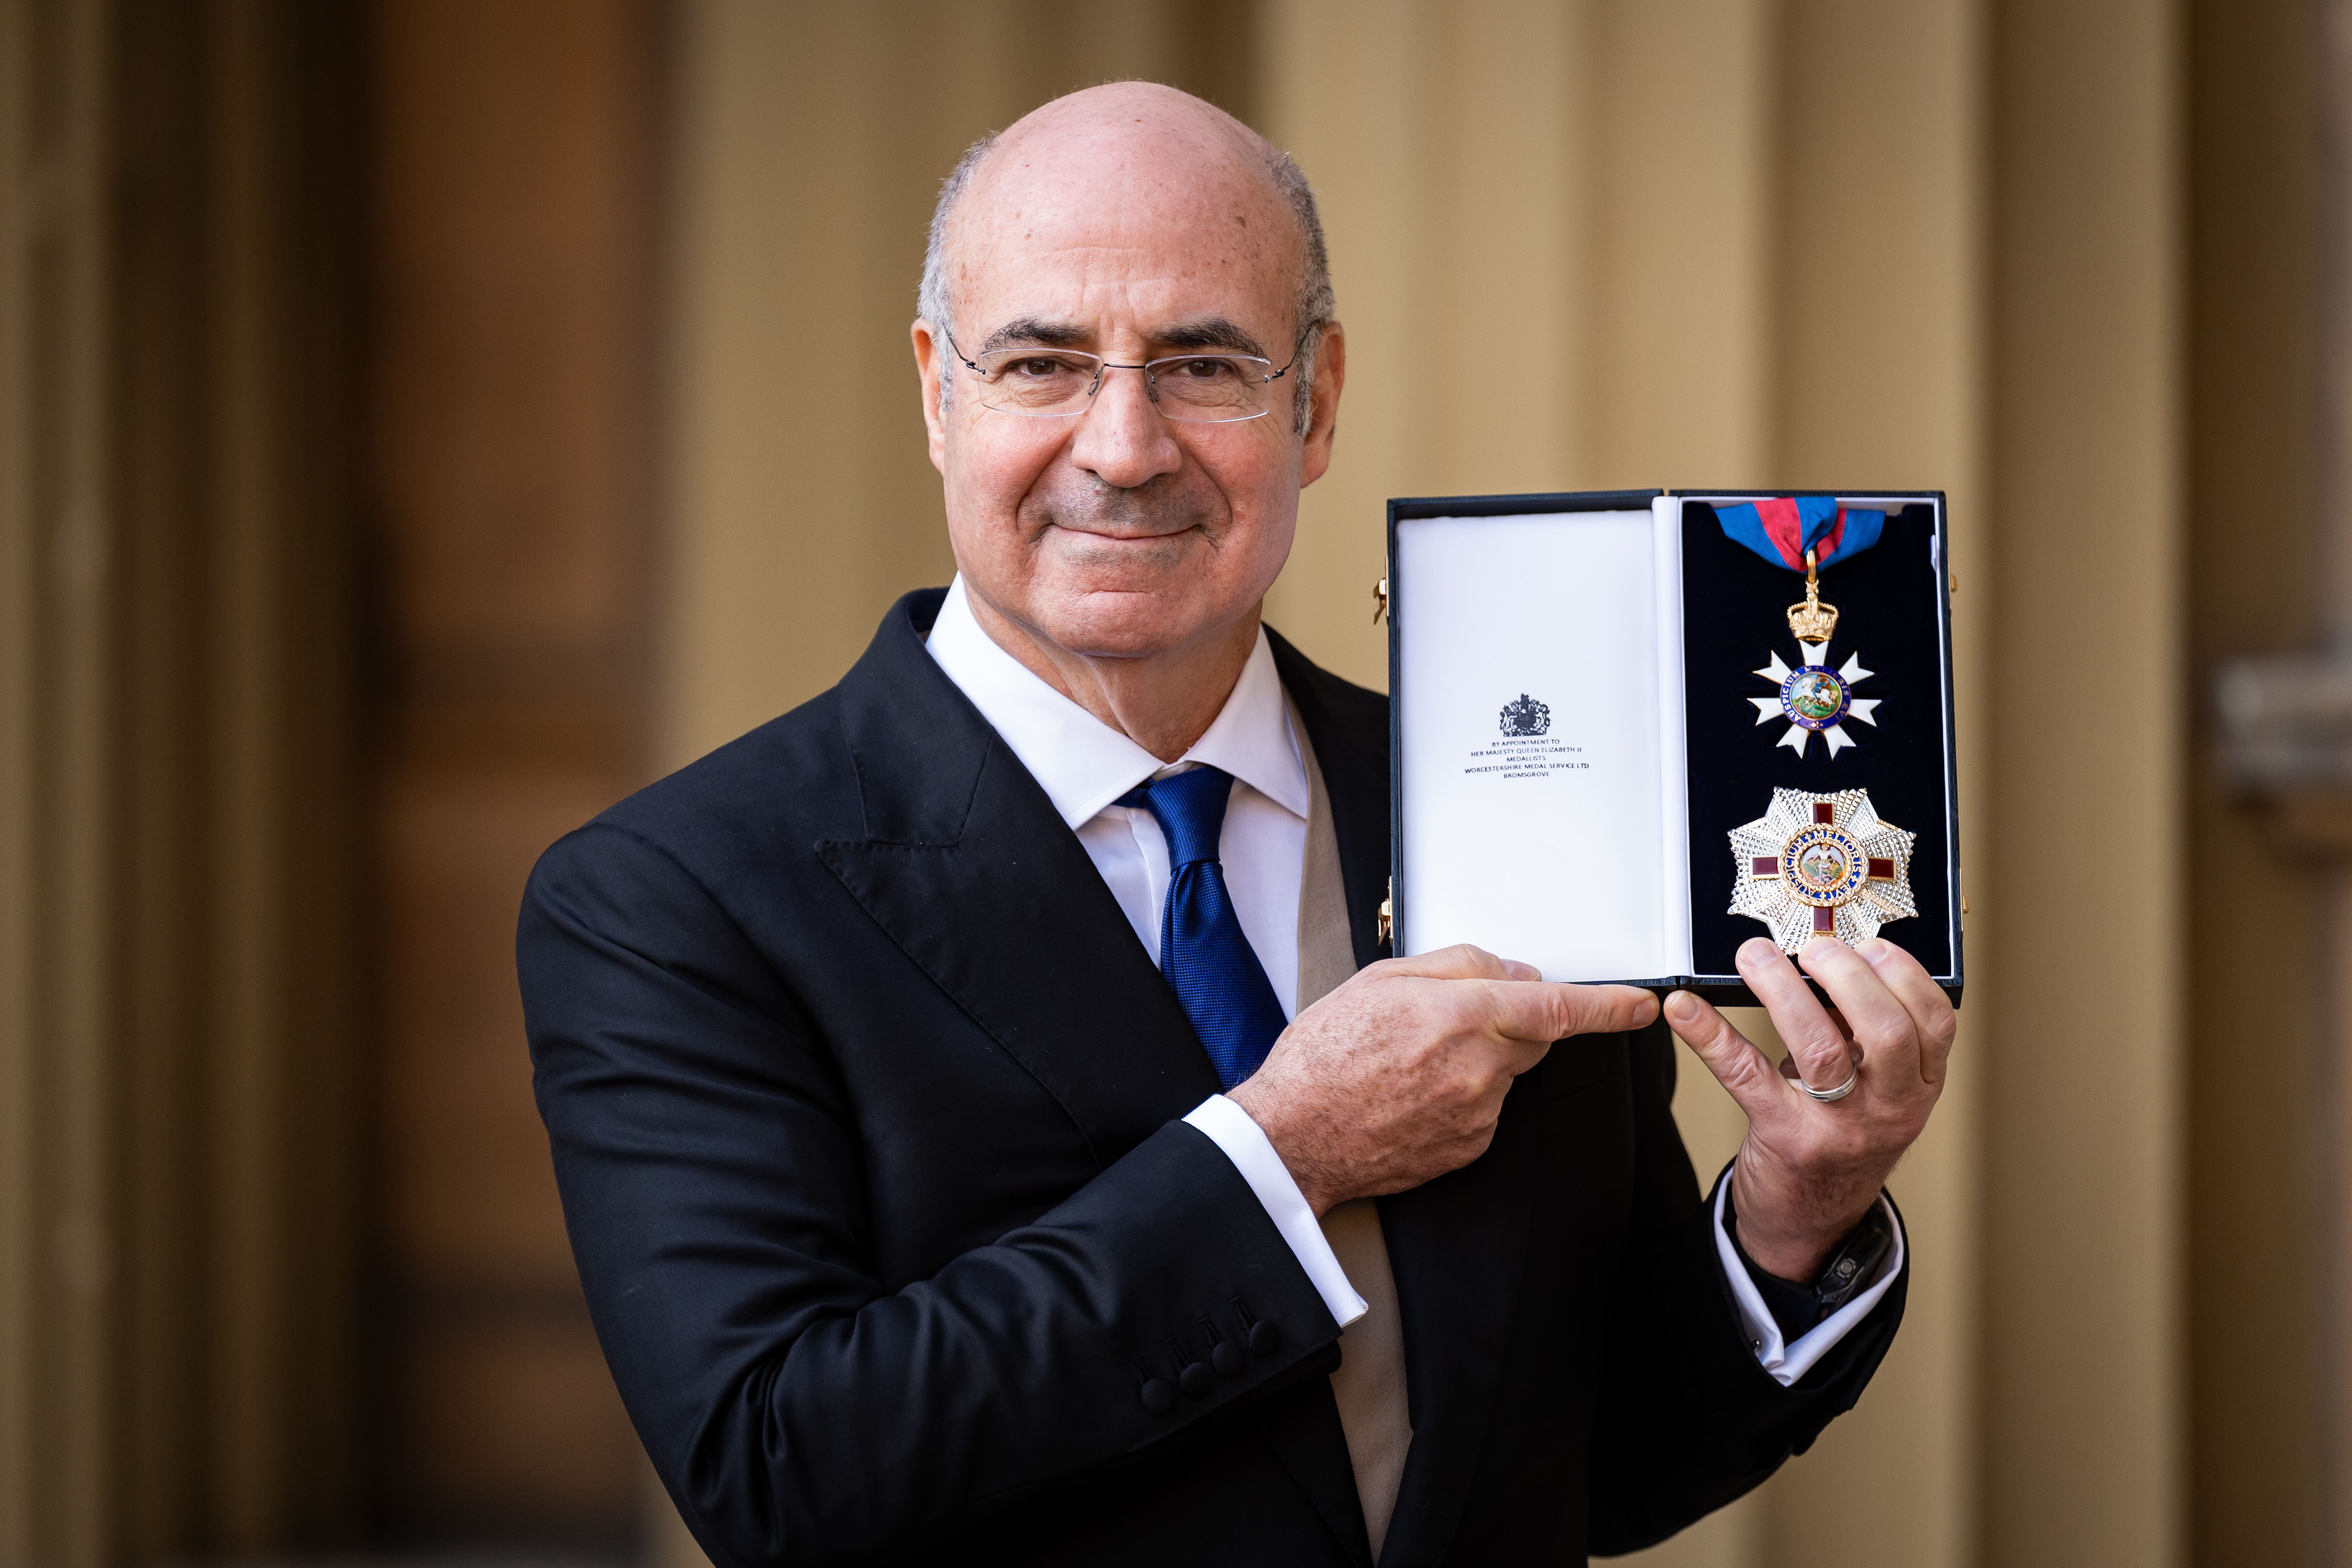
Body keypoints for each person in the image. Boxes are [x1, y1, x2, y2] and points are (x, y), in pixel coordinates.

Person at [518, 81, 1954, 1568]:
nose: (1125, 446)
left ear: (1315, 401)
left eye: (1204, 363)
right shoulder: (673, 898)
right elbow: (780, 1472)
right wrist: (1284, 1156)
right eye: (1042, 363)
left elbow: (1600, 1458)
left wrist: (1795, 1217)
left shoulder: (1513, 813)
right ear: (939, 394)